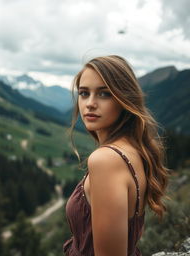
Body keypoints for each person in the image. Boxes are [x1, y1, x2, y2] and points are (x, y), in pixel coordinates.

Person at [63, 55, 169, 256]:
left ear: (124, 100)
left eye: (104, 94)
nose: (90, 103)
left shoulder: (106, 160)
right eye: (84, 93)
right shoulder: (133, 150)